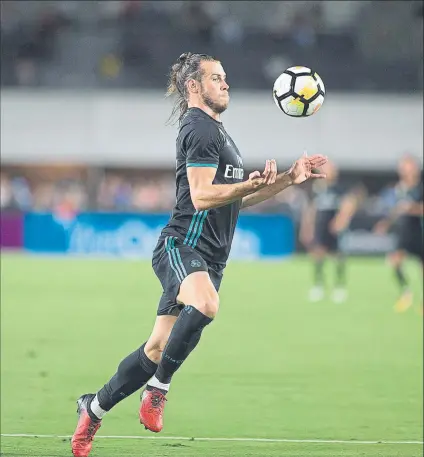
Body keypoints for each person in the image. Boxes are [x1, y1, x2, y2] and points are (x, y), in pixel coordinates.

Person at [71, 52, 328, 457]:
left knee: (156, 349)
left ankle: (94, 406)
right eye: (217, 78)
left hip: (211, 259)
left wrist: (287, 181)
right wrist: (244, 186)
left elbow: (236, 200)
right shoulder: (200, 128)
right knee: (206, 304)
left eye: (225, 78)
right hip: (182, 245)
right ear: (194, 86)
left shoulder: (221, 136)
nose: (226, 84)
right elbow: (202, 196)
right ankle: (158, 389)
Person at [299, 160, 364, 303]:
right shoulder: (316, 189)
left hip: (334, 227)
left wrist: (341, 220)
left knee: (338, 256)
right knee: (317, 255)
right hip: (320, 226)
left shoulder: (339, 188)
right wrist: (307, 228)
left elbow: (350, 203)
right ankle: (318, 285)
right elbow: (310, 210)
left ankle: (339, 287)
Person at [374, 154, 423, 313]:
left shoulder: (420, 188)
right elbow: (396, 209)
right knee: (395, 260)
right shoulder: (399, 188)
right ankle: (406, 293)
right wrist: (386, 223)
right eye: (402, 168)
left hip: (419, 230)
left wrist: (412, 208)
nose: (405, 170)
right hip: (404, 231)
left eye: (408, 167)